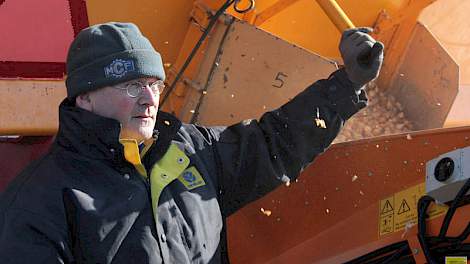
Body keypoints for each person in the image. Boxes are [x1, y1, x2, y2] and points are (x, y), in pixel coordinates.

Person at [0, 22, 383, 263]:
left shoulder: (190, 150)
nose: (149, 99)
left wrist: (347, 84)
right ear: (84, 97)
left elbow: (272, 143)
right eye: (131, 86)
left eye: (154, 84)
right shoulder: (39, 203)